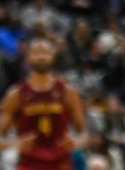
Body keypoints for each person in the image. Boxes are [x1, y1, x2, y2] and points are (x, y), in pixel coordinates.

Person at [0, 37, 87, 170]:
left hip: (61, 164)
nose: (42, 57)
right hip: (28, 165)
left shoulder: (67, 92)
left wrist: (77, 141)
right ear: (28, 57)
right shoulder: (16, 94)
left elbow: (84, 133)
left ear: (53, 56)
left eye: (46, 52)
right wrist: (15, 144)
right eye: (37, 53)